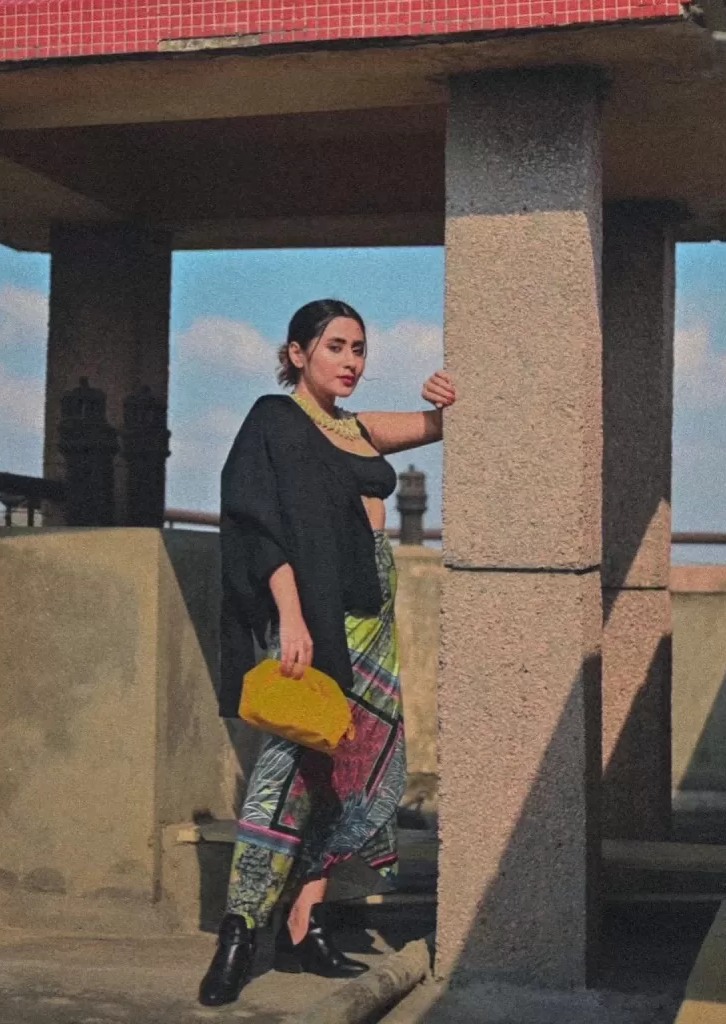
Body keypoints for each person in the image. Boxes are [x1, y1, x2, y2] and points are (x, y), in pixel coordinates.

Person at [198, 299, 455, 1008]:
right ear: (297, 353)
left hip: (374, 626)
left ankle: (304, 919)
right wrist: (291, 616)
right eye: (335, 346)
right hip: (315, 621)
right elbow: (255, 522)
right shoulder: (274, 422)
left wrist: (445, 398)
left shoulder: (357, 429)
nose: (350, 360)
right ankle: (240, 928)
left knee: (352, 773)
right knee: (284, 772)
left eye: (359, 349)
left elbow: (443, 426)